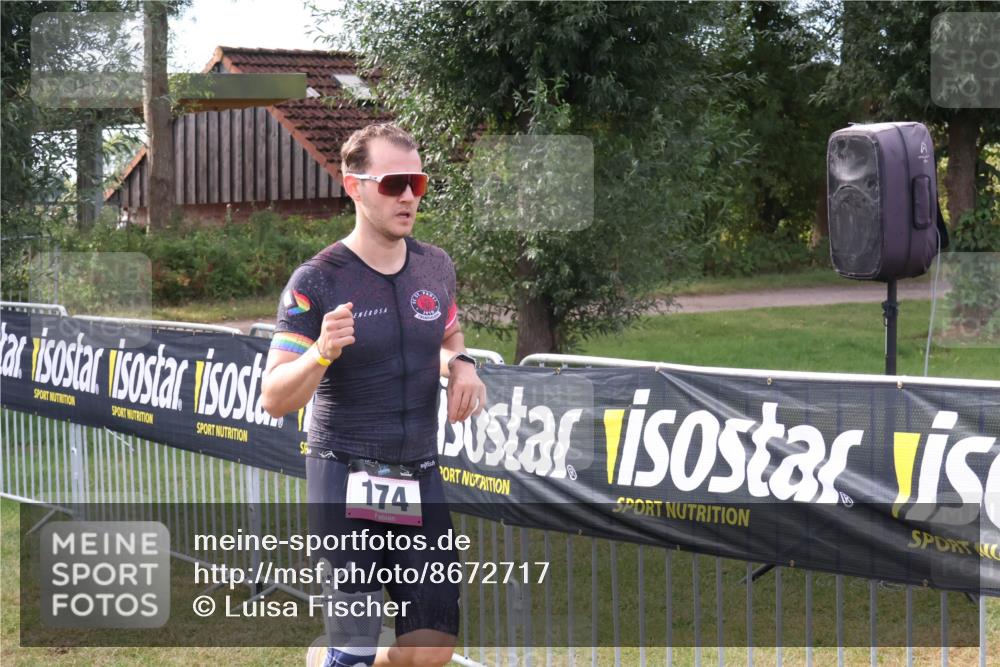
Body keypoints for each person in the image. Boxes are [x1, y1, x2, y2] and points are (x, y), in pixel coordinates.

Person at [261, 123, 487, 667]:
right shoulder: (317, 279)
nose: (408, 196)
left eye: (417, 183)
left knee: (430, 652)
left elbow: (445, 334)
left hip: (420, 475)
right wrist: (321, 353)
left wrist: (461, 363)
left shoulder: (435, 266)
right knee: (352, 653)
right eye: (392, 184)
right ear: (354, 187)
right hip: (344, 477)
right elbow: (274, 397)